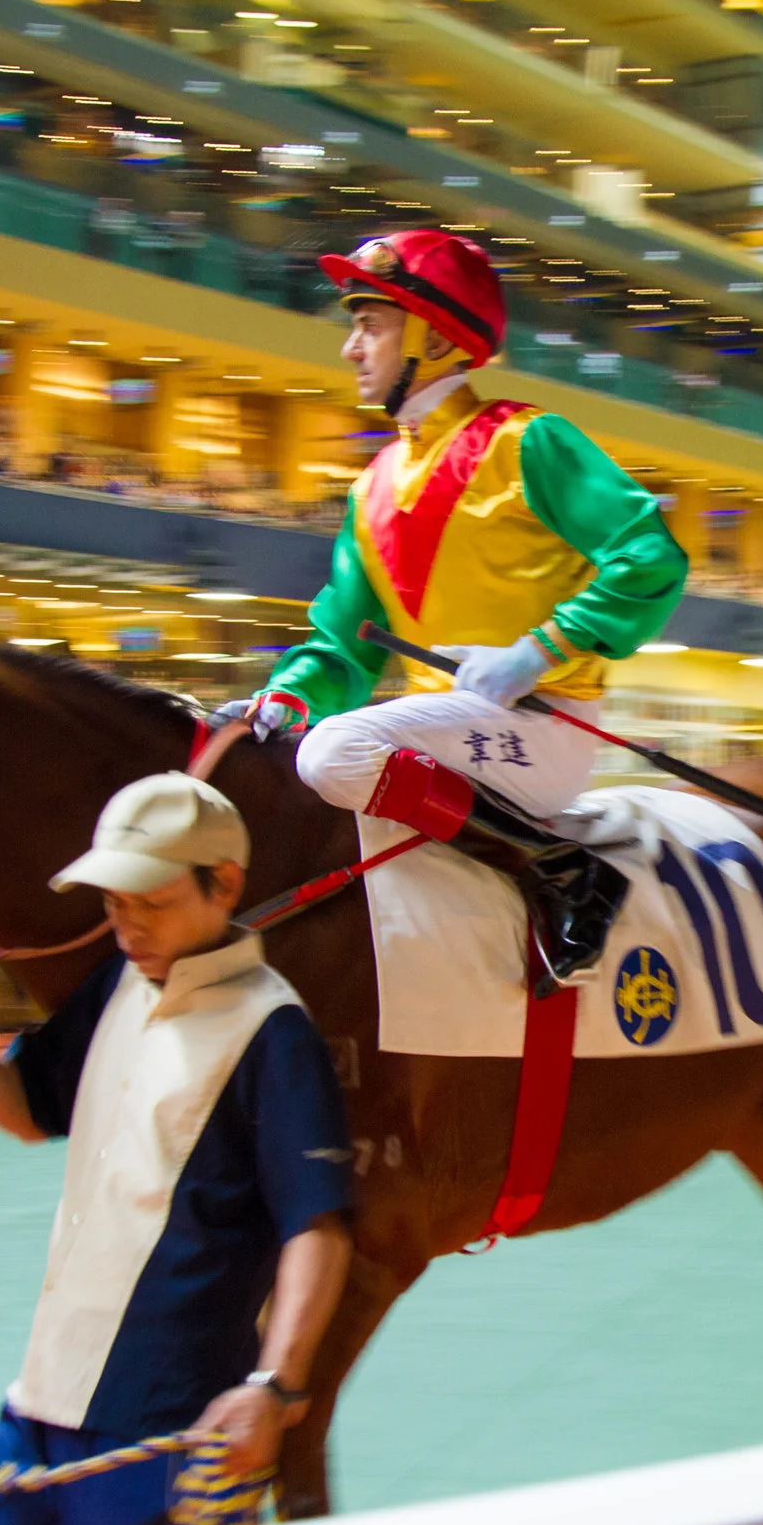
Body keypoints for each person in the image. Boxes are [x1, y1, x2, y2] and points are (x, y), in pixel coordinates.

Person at [0, 774, 354, 1525]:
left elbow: (318, 1226)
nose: (127, 925)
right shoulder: (114, 988)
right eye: (113, 902)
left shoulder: (274, 1033)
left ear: (223, 882)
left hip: (168, 1423)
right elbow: (30, 1109)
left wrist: (274, 1385)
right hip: (40, 1400)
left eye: (150, 901)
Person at [219, 228, 689, 996]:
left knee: (331, 755)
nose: (350, 347)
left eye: (370, 324)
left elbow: (650, 557)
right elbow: (342, 642)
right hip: (445, 732)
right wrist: (287, 695)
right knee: (284, 757)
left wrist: (538, 651)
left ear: (435, 336)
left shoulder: (528, 442)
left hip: (544, 726)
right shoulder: (370, 486)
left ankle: (569, 872)